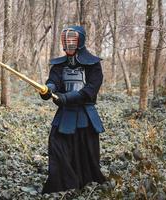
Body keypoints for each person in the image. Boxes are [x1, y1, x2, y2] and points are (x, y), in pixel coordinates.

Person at [40, 25, 106, 194]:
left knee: (85, 153)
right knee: (57, 147)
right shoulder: (59, 65)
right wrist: (48, 90)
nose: (68, 45)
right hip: (64, 116)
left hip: (85, 116)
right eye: (66, 41)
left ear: (79, 42)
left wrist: (67, 98)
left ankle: (84, 185)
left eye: (72, 41)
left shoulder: (94, 65)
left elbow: (90, 91)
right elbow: (54, 80)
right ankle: (63, 185)